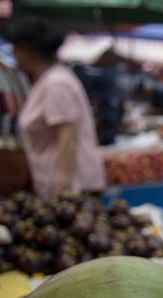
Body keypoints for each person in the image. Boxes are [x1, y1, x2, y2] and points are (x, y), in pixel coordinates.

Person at [6, 18, 106, 198]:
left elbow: (68, 137)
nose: (12, 53)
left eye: (14, 47)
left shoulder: (56, 83)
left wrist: (64, 190)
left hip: (74, 189)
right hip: (63, 188)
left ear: (27, 49)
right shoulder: (47, 81)